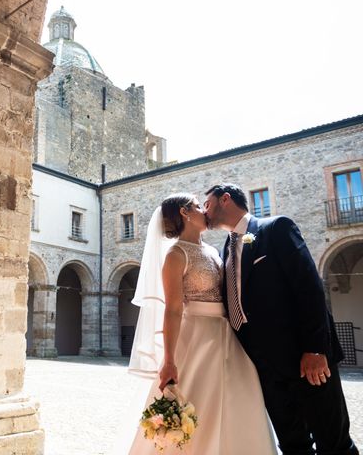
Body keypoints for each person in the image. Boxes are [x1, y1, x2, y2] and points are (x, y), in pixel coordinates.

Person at [204, 183, 358, 455]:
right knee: (292, 445)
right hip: (265, 369)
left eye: (207, 204)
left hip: (306, 360)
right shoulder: (226, 249)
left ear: (225, 199)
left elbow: (309, 288)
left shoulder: (276, 229)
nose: (204, 211)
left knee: (334, 443)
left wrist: (315, 348)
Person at [124, 193, 276, 454]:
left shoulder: (213, 251)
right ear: (185, 212)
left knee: (240, 399)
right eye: (197, 206)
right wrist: (169, 360)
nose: (204, 211)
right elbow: (172, 310)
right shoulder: (175, 255)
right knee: (197, 404)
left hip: (228, 335)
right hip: (196, 337)